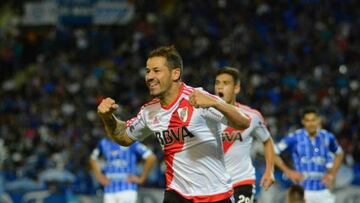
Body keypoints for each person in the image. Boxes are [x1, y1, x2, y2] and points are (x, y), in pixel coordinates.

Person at [97, 45, 251, 203]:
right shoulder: (149, 111)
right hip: (177, 194)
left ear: (175, 73)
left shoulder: (198, 98)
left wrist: (217, 103)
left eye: (156, 71)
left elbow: (244, 122)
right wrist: (108, 117)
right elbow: (123, 137)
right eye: (147, 71)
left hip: (215, 195)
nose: (149, 77)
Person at [214, 67, 275, 203]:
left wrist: (269, 170)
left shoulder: (252, 116)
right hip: (214, 184)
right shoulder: (206, 116)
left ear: (236, 88)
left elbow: (267, 140)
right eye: (217, 83)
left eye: (225, 83)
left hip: (241, 181)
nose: (220, 87)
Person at [274, 106, 344, 203]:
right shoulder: (295, 137)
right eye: (307, 120)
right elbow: (272, 152)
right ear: (303, 121)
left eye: (313, 120)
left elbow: (340, 154)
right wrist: (288, 171)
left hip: (323, 191)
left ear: (318, 120)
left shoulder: (328, 137)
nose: (310, 124)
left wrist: (332, 174)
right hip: (302, 192)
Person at [89, 138, 156, 203]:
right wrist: (99, 176)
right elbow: (92, 158)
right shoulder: (103, 143)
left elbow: (151, 157)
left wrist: (142, 178)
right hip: (109, 190)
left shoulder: (131, 142)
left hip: (127, 190)